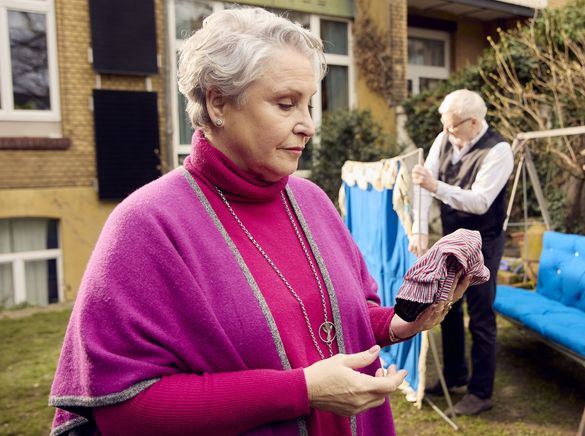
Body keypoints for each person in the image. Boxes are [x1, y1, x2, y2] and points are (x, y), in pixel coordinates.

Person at [48, 8, 471, 436]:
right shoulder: (146, 224)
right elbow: (123, 410)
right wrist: (301, 390)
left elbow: (348, 315)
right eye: (286, 104)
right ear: (218, 103)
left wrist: (401, 324)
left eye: (309, 104)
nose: (308, 125)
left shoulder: (312, 200)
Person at [409, 89, 514, 416]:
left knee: (480, 317)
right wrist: (420, 229)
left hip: (484, 241)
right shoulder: (445, 139)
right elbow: (423, 181)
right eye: (444, 125)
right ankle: (455, 376)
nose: (446, 132)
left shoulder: (499, 151)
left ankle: (481, 393)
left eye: (453, 127)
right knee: (448, 307)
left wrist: (435, 187)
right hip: (452, 239)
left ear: (473, 122)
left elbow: (480, 201)